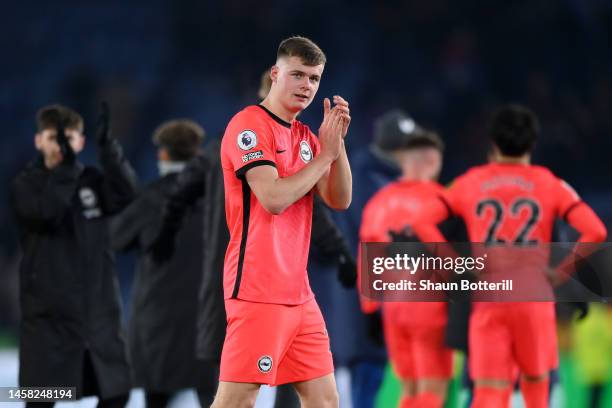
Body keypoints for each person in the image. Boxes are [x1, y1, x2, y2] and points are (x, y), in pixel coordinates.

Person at [413, 104, 607, 407]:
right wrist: (562, 271)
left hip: (490, 296)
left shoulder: (469, 183)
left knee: (489, 391)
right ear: (532, 143)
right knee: (537, 389)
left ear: (492, 142)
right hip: (534, 297)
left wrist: (456, 263)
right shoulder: (550, 184)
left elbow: (422, 222)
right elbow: (595, 232)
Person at [212, 36, 352, 408]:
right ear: (275, 74)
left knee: (324, 401)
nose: (306, 86)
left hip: (299, 295)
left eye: (314, 78)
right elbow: (272, 199)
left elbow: (340, 200)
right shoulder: (249, 125)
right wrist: (325, 158)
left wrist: (336, 145)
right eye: (298, 75)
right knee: (236, 403)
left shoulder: (306, 137)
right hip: (258, 290)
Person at [11, 103, 137, 407]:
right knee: (42, 398)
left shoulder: (92, 181)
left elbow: (128, 196)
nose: (62, 147)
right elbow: (47, 212)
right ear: (38, 140)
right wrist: (67, 169)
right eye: (55, 138)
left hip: (98, 314)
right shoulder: (25, 184)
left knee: (117, 392)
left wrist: (109, 151)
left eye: (69, 138)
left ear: (81, 142)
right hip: (48, 321)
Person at [110, 119, 217, 407]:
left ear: (163, 155)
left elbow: (114, 239)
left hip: (158, 327)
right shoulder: (218, 201)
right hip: (208, 323)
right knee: (216, 398)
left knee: (156, 399)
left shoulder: (150, 199)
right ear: (197, 155)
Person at [359, 125, 453, 408]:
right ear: (433, 161)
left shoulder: (378, 203)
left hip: (393, 309)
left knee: (409, 388)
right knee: (432, 388)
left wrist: (370, 310)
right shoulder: (442, 200)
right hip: (431, 307)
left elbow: (368, 258)